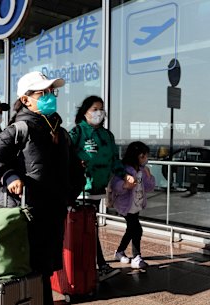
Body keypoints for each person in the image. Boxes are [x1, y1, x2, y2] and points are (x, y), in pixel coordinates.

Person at [0, 71, 83, 305]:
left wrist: (67, 195)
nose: (50, 96)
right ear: (25, 99)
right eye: (42, 93)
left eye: (52, 92)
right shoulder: (19, 129)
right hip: (27, 218)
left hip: (53, 215)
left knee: (46, 271)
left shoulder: (60, 133)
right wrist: (8, 176)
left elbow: (75, 172)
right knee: (30, 272)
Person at [69, 95, 135, 281]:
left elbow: (114, 161)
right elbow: (65, 156)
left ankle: (95, 264)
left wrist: (124, 175)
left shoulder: (107, 135)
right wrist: (76, 165)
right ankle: (99, 264)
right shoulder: (77, 133)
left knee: (91, 228)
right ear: (85, 112)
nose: (99, 112)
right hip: (81, 190)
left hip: (98, 190)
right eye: (94, 109)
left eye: (101, 109)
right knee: (89, 228)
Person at [111, 141, 156, 269]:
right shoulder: (125, 169)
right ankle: (136, 257)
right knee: (136, 229)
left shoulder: (142, 170)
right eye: (144, 156)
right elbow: (115, 186)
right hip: (126, 205)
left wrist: (149, 176)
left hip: (136, 205)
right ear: (136, 156)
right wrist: (125, 185)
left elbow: (148, 188)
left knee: (131, 229)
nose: (146, 159)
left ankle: (120, 252)